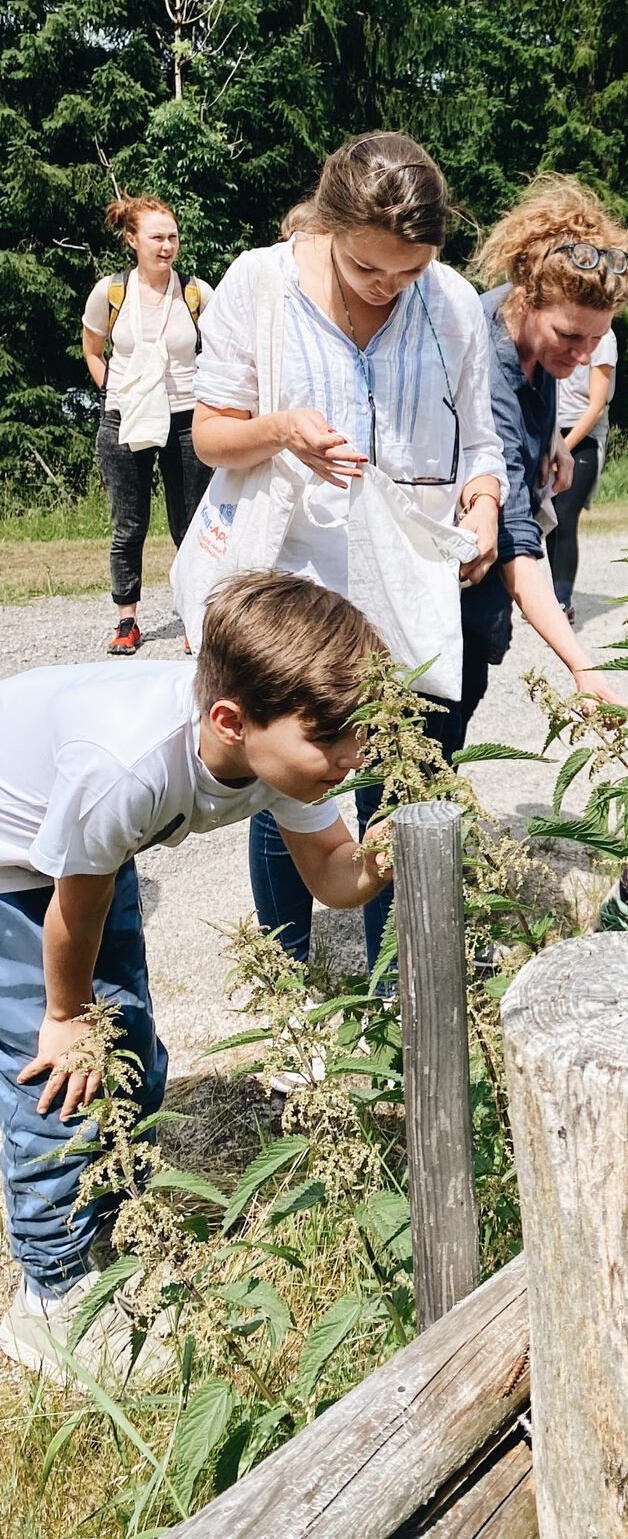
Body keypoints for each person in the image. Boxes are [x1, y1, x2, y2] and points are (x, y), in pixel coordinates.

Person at [0, 571, 394, 1384]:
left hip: (88, 851)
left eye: (360, 733)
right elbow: (73, 912)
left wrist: (390, 852)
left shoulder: (281, 750)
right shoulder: (130, 768)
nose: (355, 756)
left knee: (131, 1047)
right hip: (15, 861)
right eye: (333, 737)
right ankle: (52, 1298)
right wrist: (66, 1015)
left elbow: (331, 875)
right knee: (62, 1075)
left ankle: (117, 1218)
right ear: (229, 720)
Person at [186, 132, 507, 973]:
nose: (391, 289)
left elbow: (481, 439)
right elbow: (211, 437)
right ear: (326, 229)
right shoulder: (259, 284)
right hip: (293, 582)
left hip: (405, 581)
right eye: (370, 270)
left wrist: (482, 505)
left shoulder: (453, 303)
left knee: (403, 776)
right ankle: (291, 977)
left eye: (409, 272)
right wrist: (282, 430)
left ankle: (401, 987)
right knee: (291, 778)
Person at [460, 177, 628, 735]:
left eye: (597, 341)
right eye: (570, 336)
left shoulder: (533, 342)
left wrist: (549, 442)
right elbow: (515, 538)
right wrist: (581, 665)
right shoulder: (483, 358)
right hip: (447, 585)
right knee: (416, 761)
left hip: (474, 589)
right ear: (525, 294)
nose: (583, 355)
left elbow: (534, 396)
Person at [81, 197, 214, 656]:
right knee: (129, 524)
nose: (167, 246)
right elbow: (93, 348)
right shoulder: (110, 292)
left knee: (192, 524)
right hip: (126, 417)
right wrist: (112, 395)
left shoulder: (197, 292)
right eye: (157, 237)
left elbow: (219, 352)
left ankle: (196, 617)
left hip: (185, 418)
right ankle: (127, 621)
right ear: (132, 240)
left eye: (173, 237)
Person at [547, 324, 617, 619]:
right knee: (548, 515)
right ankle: (550, 594)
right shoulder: (557, 326)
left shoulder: (603, 336)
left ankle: (562, 600)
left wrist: (562, 448)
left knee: (565, 514)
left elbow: (596, 406)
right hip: (549, 428)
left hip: (583, 435)